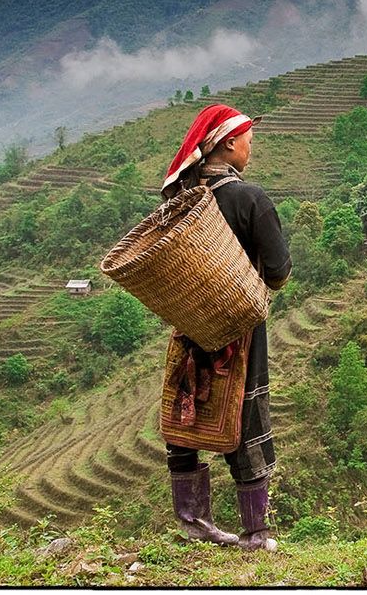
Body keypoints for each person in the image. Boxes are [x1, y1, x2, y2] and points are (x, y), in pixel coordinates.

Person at [160, 104, 291, 551]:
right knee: (244, 418)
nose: (251, 148)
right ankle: (256, 532)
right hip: (240, 331)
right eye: (249, 140)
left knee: (185, 414)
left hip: (188, 327)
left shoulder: (184, 202)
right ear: (230, 143)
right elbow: (277, 271)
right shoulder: (251, 200)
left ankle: (194, 525)